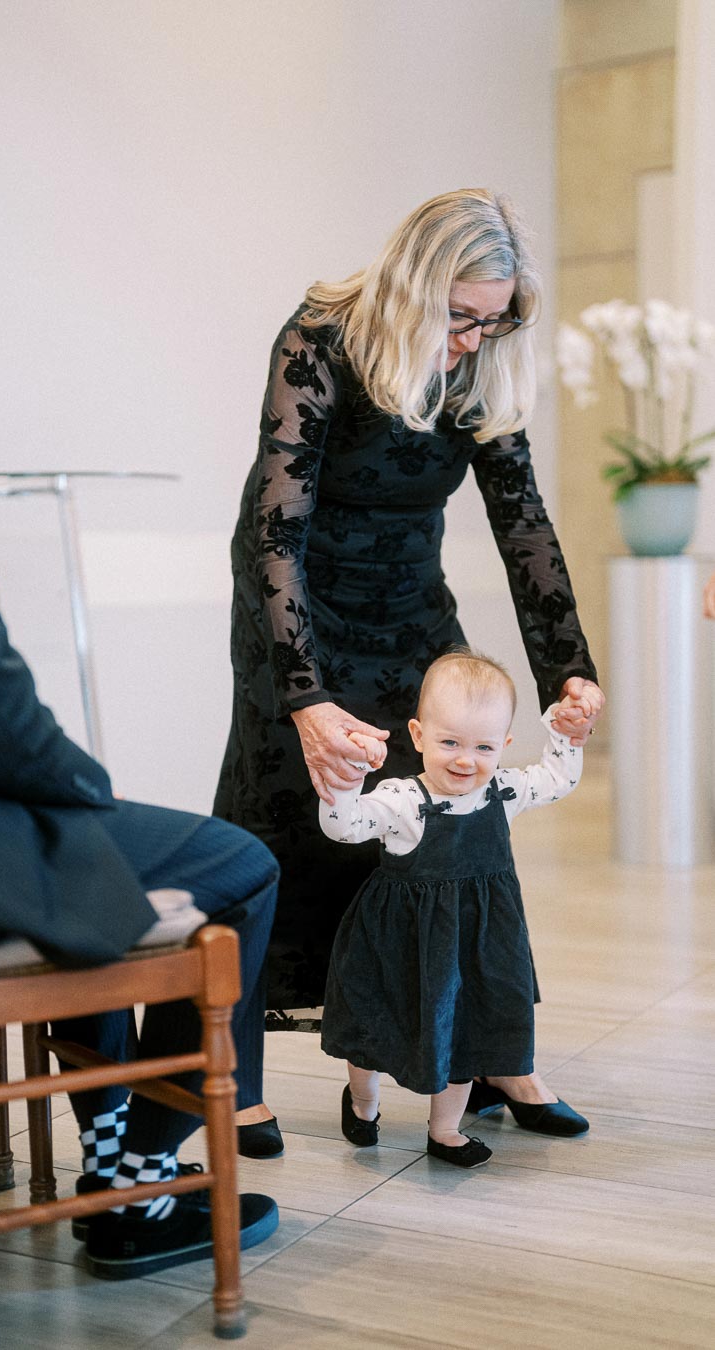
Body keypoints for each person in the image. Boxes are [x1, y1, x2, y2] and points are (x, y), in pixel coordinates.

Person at [0, 199, 279, 1280]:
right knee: (230, 862)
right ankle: (134, 1188)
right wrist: (85, 785)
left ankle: (113, 1145)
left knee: (100, 839)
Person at [214, 188, 604, 1156]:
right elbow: (276, 525)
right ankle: (243, 1082)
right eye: (459, 316)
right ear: (412, 289)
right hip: (294, 602)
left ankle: (492, 1051)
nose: (474, 339)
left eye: (494, 319)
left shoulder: (479, 369)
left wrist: (570, 671)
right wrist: (304, 696)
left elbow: (523, 524)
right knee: (284, 831)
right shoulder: (322, 336)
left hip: (407, 608)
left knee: (457, 840)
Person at [319, 649, 598, 1165]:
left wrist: (565, 737)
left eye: (484, 746)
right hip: (399, 940)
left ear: (505, 745)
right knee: (374, 1023)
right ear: (418, 735)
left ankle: (445, 1130)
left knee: (467, 1030)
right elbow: (344, 825)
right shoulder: (405, 799)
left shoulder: (504, 789)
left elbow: (558, 780)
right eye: (448, 742)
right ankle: (362, 1100)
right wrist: (346, 779)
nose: (465, 760)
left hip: (478, 940)